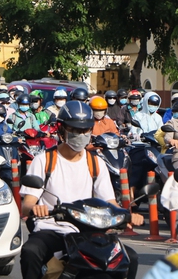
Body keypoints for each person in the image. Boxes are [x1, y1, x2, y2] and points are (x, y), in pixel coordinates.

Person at [19, 101, 143, 279]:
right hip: (53, 228)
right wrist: (36, 208)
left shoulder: (96, 163)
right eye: (75, 130)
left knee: (130, 257)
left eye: (85, 130)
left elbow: (110, 202)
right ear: (61, 129)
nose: (81, 135)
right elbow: (27, 204)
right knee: (31, 251)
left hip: (88, 232)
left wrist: (126, 216)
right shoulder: (44, 160)